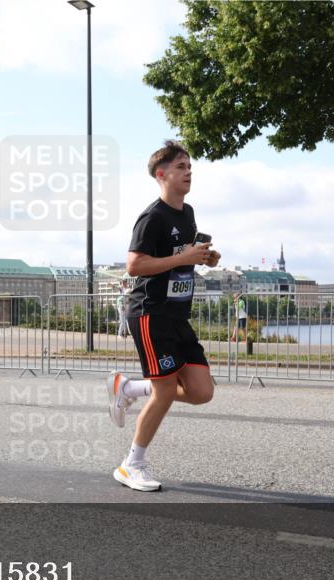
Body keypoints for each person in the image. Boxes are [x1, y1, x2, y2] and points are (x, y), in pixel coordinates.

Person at [106, 141, 221, 491]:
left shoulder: (187, 214)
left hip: (177, 315)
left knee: (202, 392)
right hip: (150, 313)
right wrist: (183, 257)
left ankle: (128, 388)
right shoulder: (152, 217)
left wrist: (204, 257)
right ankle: (131, 464)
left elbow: (182, 258)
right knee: (166, 391)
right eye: (181, 167)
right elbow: (135, 265)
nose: (189, 172)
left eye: (190, 167)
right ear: (162, 174)